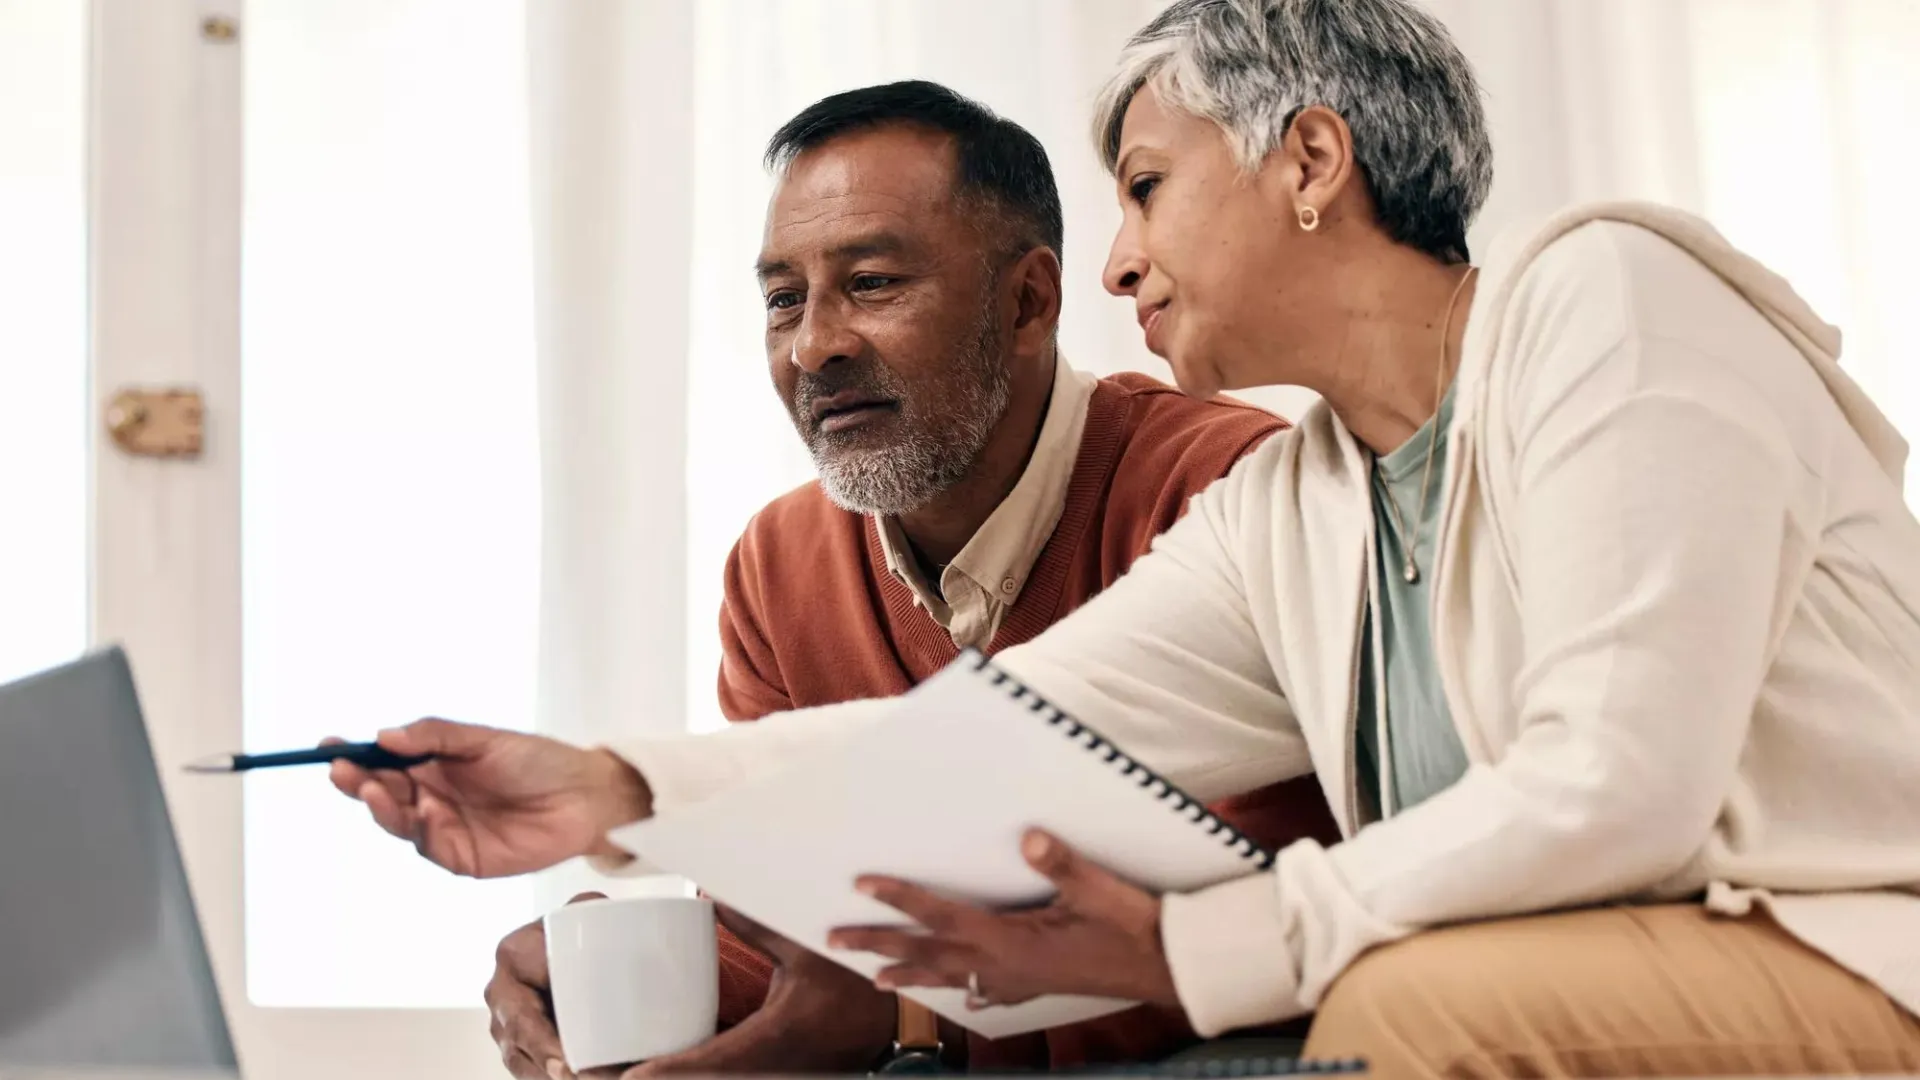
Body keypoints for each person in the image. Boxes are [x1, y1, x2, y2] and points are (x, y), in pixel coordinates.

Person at [335, 3, 1920, 1076]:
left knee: (1402, 1007)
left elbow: (1616, 784)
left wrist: (1194, 951)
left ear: (1311, 162)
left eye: (1148, 189)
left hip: (1843, 950)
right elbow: (999, 735)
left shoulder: (1606, 298)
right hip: (1584, 973)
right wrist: (612, 787)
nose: (1116, 264)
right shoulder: (1300, 505)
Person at [465, 80, 1338, 1079]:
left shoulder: (1227, 491)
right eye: (783, 300)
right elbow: (798, 940)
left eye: (872, 283)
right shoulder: (778, 566)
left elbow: (1255, 927)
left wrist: (886, 1008)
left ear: (1029, 302)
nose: (814, 346)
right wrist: (629, 972)